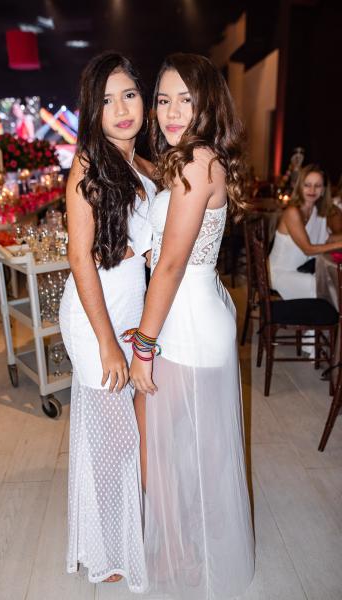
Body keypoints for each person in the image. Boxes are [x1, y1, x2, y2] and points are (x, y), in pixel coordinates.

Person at [127, 53, 255, 600]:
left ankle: (178, 555)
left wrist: (144, 346)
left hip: (187, 322)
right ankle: (187, 545)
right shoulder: (199, 159)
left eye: (185, 99)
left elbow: (172, 266)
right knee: (187, 444)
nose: (172, 111)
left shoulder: (193, 163)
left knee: (165, 444)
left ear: (207, 104)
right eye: (163, 99)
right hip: (197, 313)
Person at [59, 51, 155, 592]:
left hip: (128, 311)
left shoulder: (141, 165)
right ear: (91, 111)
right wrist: (107, 343)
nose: (121, 109)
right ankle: (108, 550)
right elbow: (80, 257)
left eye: (129, 95)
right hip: (96, 317)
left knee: (121, 436)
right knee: (112, 440)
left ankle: (117, 536)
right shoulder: (88, 166)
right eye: (106, 100)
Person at [269, 164, 342, 299]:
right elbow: (308, 249)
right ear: (299, 187)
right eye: (307, 185)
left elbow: (327, 239)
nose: (312, 190)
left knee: (334, 282)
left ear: (323, 190)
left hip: (303, 269)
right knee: (325, 287)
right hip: (281, 273)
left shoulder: (317, 211)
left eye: (317, 185)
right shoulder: (292, 212)